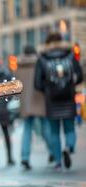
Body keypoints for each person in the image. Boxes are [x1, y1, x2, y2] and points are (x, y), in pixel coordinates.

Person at [34, 32, 83, 170]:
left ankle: (57, 162)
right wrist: (69, 84)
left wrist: (49, 89)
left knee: (54, 132)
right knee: (69, 128)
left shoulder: (42, 58)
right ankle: (68, 147)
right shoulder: (70, 55)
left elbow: (37, 83)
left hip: (52, 101)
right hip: (68, 98)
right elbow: (80, 76)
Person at [15, 45, 52, 170]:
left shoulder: (19, 64)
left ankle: (25, 158)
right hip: (39, 99)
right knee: (46, 127)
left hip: (25, 101)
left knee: (27, 129)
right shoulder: (40, 62)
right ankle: (53, 153)